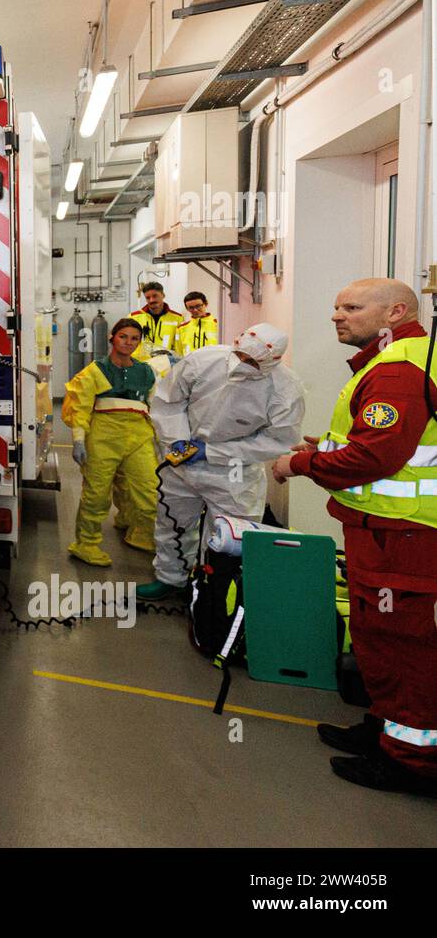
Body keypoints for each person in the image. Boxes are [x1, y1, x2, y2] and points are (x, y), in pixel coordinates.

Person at [273, 278, 437, 797]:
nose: (337, 316)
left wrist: (298, 463)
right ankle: (384, 731)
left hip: (404, 540)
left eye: (352, 307)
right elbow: (390, 443)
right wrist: (325, 445)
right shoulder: (389, 361)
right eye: (336, 305)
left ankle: (412, 761)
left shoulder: (397, 370)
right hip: (380, 536)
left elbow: (375, 457)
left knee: (404, 649)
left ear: (394, 312)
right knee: (376, 640)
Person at [139, 322, 304, 601]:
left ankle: (212, 593)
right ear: (236, 342)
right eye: (239, 355)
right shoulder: (203, 360)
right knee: (173, 524)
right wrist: (176, 438)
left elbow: (277, 441)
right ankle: (170, 579)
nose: (241, 364)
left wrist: (212, 452)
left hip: (234, 473)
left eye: (252, 362)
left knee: (229, 535)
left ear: (272, 362)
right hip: (183, 464)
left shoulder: (286, 390)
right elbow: (169, 400)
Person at [63, 318, 158, 566]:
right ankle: (87, 543)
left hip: (139, 435)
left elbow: (155, 407)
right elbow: (80, 408)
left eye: (134, 338)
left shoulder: (146, 372)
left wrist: (162, 441)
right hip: (103, 436)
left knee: (147, 488)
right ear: (112, 338)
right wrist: (79, 440)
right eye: (123, 336)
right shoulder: (95, 371)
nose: (129, 342)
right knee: (97, 493)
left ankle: (142, 533)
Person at [130, 281, 185, 364]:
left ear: (163, 295)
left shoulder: (178, 318)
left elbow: (179, 345)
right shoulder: (134, 317)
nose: (151, 300)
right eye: (148, 298)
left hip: (167, 365)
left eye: (155, 296)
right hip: (140, 365)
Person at [175, 290, 219, 356]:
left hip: (214, 365)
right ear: (187, 309)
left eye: (198, 306)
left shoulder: (218, 325)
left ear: (206, 304)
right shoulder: (181, 328)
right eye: (191, 308)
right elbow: (178, 353)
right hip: (189, 365)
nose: (195, 310)